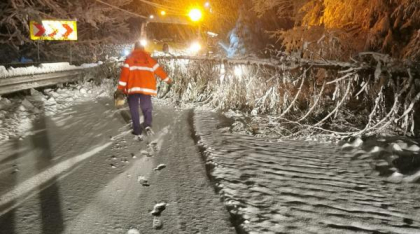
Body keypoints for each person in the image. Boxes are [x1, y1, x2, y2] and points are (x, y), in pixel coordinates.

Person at [115, 41, 172, 141]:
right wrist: (168, 80)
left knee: (134, 109)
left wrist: (120, 89)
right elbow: (159, 71)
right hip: (146, 88)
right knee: (146, 107)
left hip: (133, 88)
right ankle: (147, 124)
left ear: (135, 48)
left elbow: (124, 76)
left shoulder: (129, 59)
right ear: (143, 48)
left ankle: (137, 130)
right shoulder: (149, 59)